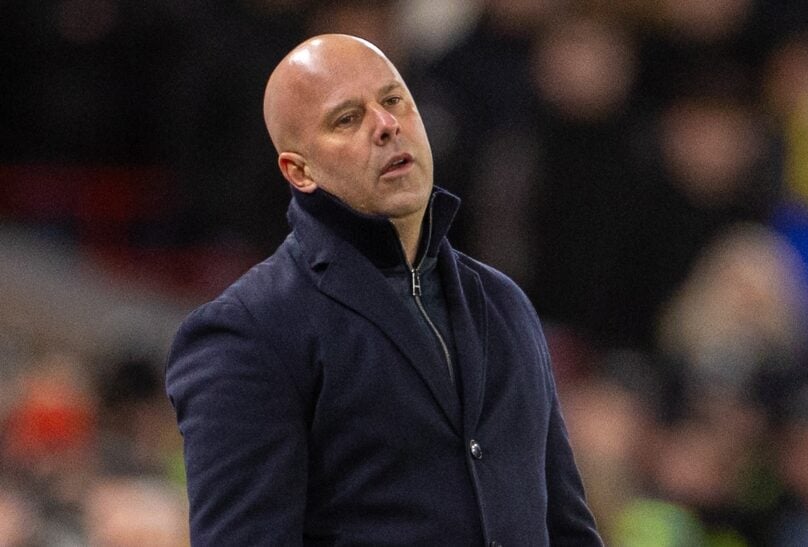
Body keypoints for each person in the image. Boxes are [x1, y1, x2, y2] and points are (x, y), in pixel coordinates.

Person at [166, 33, 602, 546]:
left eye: (394, 100)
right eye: (347, 119)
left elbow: (566, 529)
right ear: (298, 170)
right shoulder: (250, 331)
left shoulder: (502, 302)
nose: (386, 125)